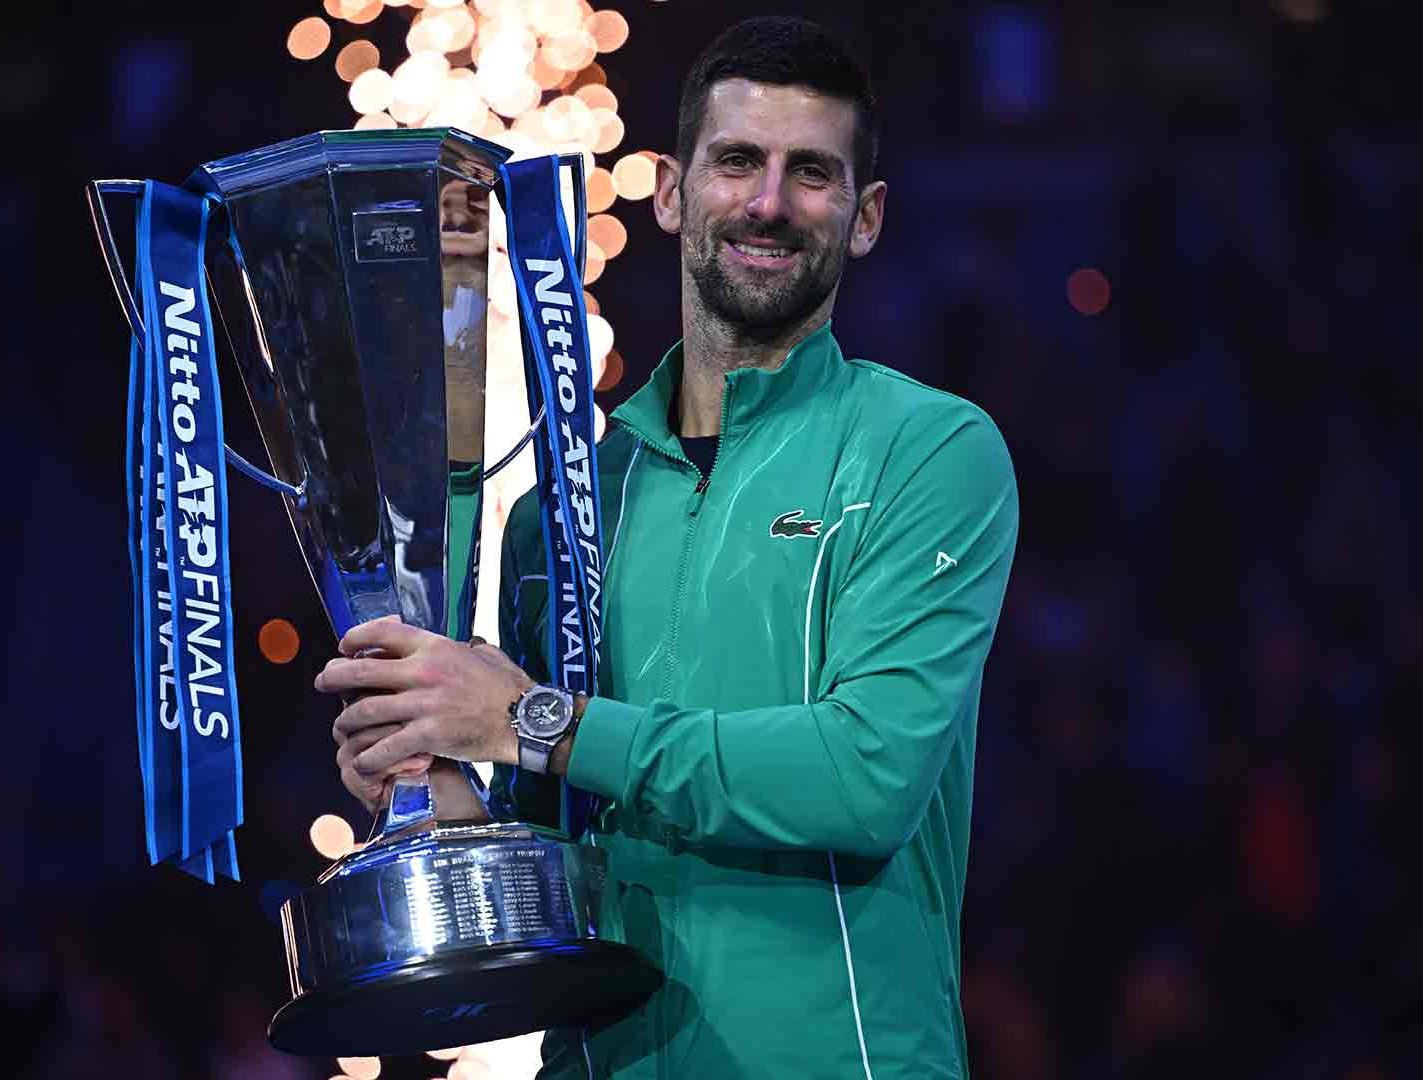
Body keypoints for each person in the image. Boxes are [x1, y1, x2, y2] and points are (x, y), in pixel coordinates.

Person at [316, 16, 1019, 1078]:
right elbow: (562, 820)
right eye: (737, 161)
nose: (769, 202)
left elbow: (865, 777)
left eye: (812, 173)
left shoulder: (928, 452)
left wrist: (529, 718)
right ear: (671, 193)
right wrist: (449, 802)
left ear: (866, 218)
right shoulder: (568, 504)